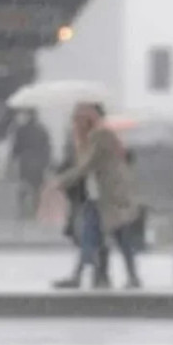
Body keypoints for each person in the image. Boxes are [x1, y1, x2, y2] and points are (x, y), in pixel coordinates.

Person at [53, 103, 142, 289]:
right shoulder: (87, 139)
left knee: (121, 237)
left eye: (79, 120)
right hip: (96, 197)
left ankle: (131, 277)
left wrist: (62, 181)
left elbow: (86, 166)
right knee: (89, 237)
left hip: (111, 197)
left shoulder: (100, 136)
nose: (75, 124)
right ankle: (79, 276)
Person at [11, 110, 52, 219]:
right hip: (38, 163)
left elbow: (16, 148)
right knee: (37, 188)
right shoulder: (42, 130)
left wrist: (13, 158)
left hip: (25, 162)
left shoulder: (21, 130)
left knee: (24, 185)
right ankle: (36, 208)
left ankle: (22, 208)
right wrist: (46, 162)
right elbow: (47, 148)